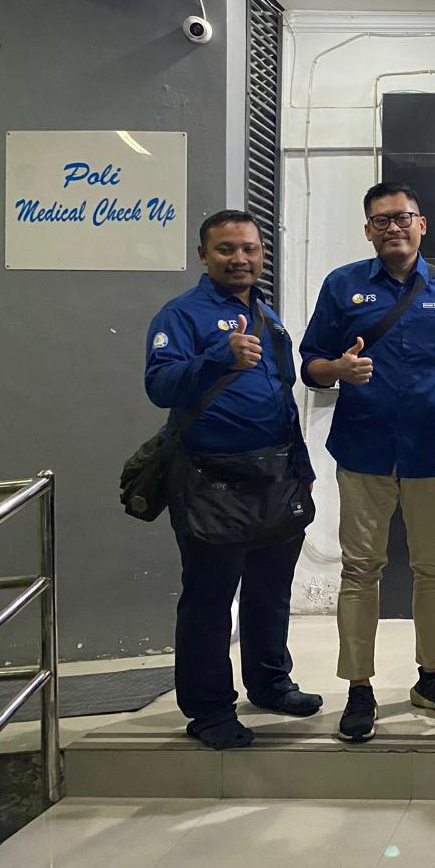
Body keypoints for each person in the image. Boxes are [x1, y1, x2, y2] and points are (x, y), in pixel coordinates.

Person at [299, 182, 435, 743]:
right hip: (365, 450)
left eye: (402, 217)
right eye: (380, 221)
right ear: (368, 231)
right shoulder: (343, 285)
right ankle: (359, 687)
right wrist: (338, 370)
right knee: (360, 569)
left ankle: (432, 676)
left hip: (434, 452)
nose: (393, 227)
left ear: (422, 224)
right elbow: (310, 364)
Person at [145, 210, 321, 750]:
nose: (239, 259)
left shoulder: (269, 318)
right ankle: (208, 710)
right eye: (226, 249)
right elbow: (159, 385)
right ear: (204, 255)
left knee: (270, 590)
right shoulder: (180, 315)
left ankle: (269, 683)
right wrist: (216, 357)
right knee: (209, 598)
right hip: (208, 479)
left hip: (276, 477)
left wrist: (302, 470)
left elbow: (284, 396)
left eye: (249, 248)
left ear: (262, 253)